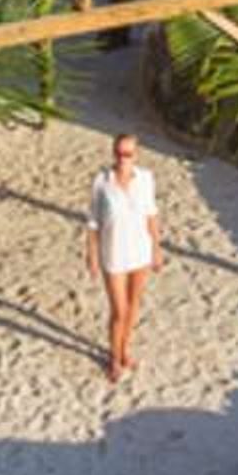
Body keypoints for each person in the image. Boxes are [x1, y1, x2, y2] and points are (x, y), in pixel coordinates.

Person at [83, 132, 162, 382]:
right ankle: (114, 359)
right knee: (119, 310)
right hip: (113, 253)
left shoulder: (146, 179)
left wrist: (157, 248)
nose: (121, 158)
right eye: (117, 152)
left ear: (136, 155)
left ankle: (124, 348)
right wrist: (92, 256)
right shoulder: (102, 182)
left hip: (140, 250)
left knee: (134, 305)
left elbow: (151, 214)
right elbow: (93, 222)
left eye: (127, 153)